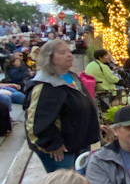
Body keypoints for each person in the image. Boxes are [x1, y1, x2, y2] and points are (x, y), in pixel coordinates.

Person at [24, 39, 101, 173]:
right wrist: (52, 145)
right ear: (50, 58)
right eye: (62, 52)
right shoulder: (46, 86)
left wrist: (93, 125)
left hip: (78, 142)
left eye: (69, 52)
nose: (69, 55)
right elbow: (36, 123)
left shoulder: (70, 77)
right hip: (60, 150)